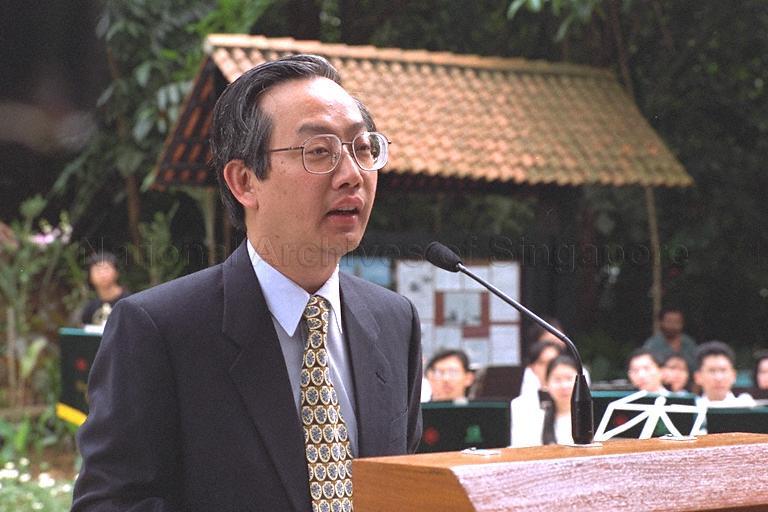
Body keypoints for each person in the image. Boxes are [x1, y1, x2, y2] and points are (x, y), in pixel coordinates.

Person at [72, 55, 422, 512]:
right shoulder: (160, 330)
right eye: (319, 151)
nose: (353, 174)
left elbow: (408, 488)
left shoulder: (395, 321)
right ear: (244, 181)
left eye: (363, 148)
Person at [511, 355, 578, 447]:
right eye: (557, 380)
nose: (564, 386)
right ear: (546, 385)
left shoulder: (593, 417)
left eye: (569, 378)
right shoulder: (535, 418)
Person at [694, 341, 755, 408]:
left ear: (734, 375)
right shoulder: (691, 409)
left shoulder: (746, 406)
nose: (718, 378)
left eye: (723, 370)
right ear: (698, 377)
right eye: (711, 371)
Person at [79, 252, 130, 326]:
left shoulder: (129, 302)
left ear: (116, 273)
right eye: (97, 270)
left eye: (106, 269)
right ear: (90, 277)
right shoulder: (90, 308)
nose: (102, 274)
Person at [643, 307, 698, 373]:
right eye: (669, 321)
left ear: (682, 324)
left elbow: (696, 367)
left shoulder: (689, 343)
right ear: (661, 323)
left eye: (677, 322)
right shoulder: (652, 345)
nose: (673, 325)